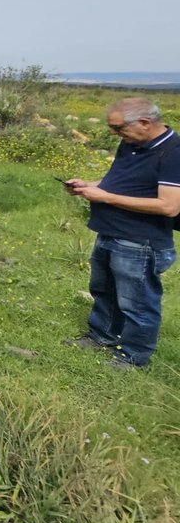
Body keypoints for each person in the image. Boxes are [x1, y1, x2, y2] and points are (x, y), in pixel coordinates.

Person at [63, 98, 180, 368]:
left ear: (144, 123)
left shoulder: (174, 152)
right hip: (110, 232)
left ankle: (133, 356)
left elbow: (169, 206)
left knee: (137, 302)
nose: (114, 134)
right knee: (104, 290)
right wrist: (88, 186)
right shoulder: (131, 143)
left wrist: (104, 197)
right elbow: (117, 182)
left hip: (141, 241)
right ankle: (101, 336)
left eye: (118, 128)